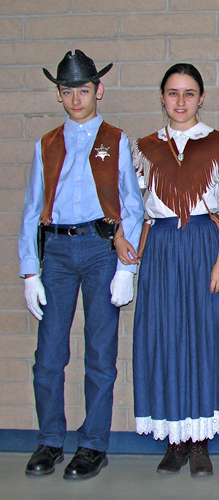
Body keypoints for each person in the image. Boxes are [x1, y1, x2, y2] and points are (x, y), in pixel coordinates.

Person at [116, 63, 219, 477]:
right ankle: (174, 440)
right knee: (166, 334)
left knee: (206, 335)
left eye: (189, 93)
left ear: (201, 98)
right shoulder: (144, 148)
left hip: (205, 245)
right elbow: (134, 209)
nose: (180, 101)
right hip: (163, 248)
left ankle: (200, 444)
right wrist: (126, 248)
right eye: (172, 93)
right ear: (161, 97)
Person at [18, 50, 144, 480]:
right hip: (55, 251)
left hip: (99, 248)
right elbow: (33, 207)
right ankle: (50, 440)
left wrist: (126, 269)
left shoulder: (117, 139)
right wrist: (30, 270)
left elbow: (131, 203)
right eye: (68, 91)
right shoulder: (47, 144)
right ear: (58, 94)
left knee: (99, 352)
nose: (76, 99)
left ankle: (93, 444)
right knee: (49, 354)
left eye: (84, 90)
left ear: (99, 90)